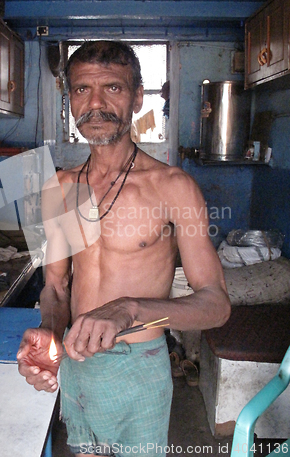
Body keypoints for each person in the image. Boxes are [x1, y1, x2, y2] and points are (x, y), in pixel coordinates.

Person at [17, 40, 231, 457]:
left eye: (112, 88)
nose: (95, 103)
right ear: (70, 99)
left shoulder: (172, 187)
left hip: (140, 365)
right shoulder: (61, 188)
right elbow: (57, 289)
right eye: (81, 90)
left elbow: (216, 305)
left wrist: (132, 309)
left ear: (136, 98)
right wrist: (49, 332)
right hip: (78, 362)